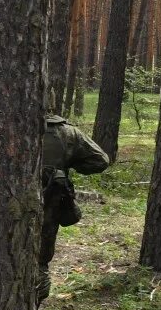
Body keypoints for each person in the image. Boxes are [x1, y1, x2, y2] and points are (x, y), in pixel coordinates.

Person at [38, 113, 109, 299]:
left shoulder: (3, 125)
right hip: (47, 205)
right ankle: (32, 302)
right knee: (39, 260)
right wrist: (68, 163)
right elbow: (100, 160)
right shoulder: (68, 133)